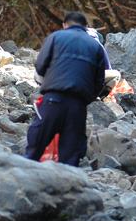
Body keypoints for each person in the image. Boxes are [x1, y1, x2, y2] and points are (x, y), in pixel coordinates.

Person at [25, 11, 107, 166]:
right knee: (70, 155)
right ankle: (66, 186)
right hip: (78, 105)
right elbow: (99, 81)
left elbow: (40, 66)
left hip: (53, 99)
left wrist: (46, 84)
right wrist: (86, 99)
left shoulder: (55, 37)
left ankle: (26, 179)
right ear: (86, 27)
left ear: (65, 24)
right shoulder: (96, 46)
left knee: (36, 146)